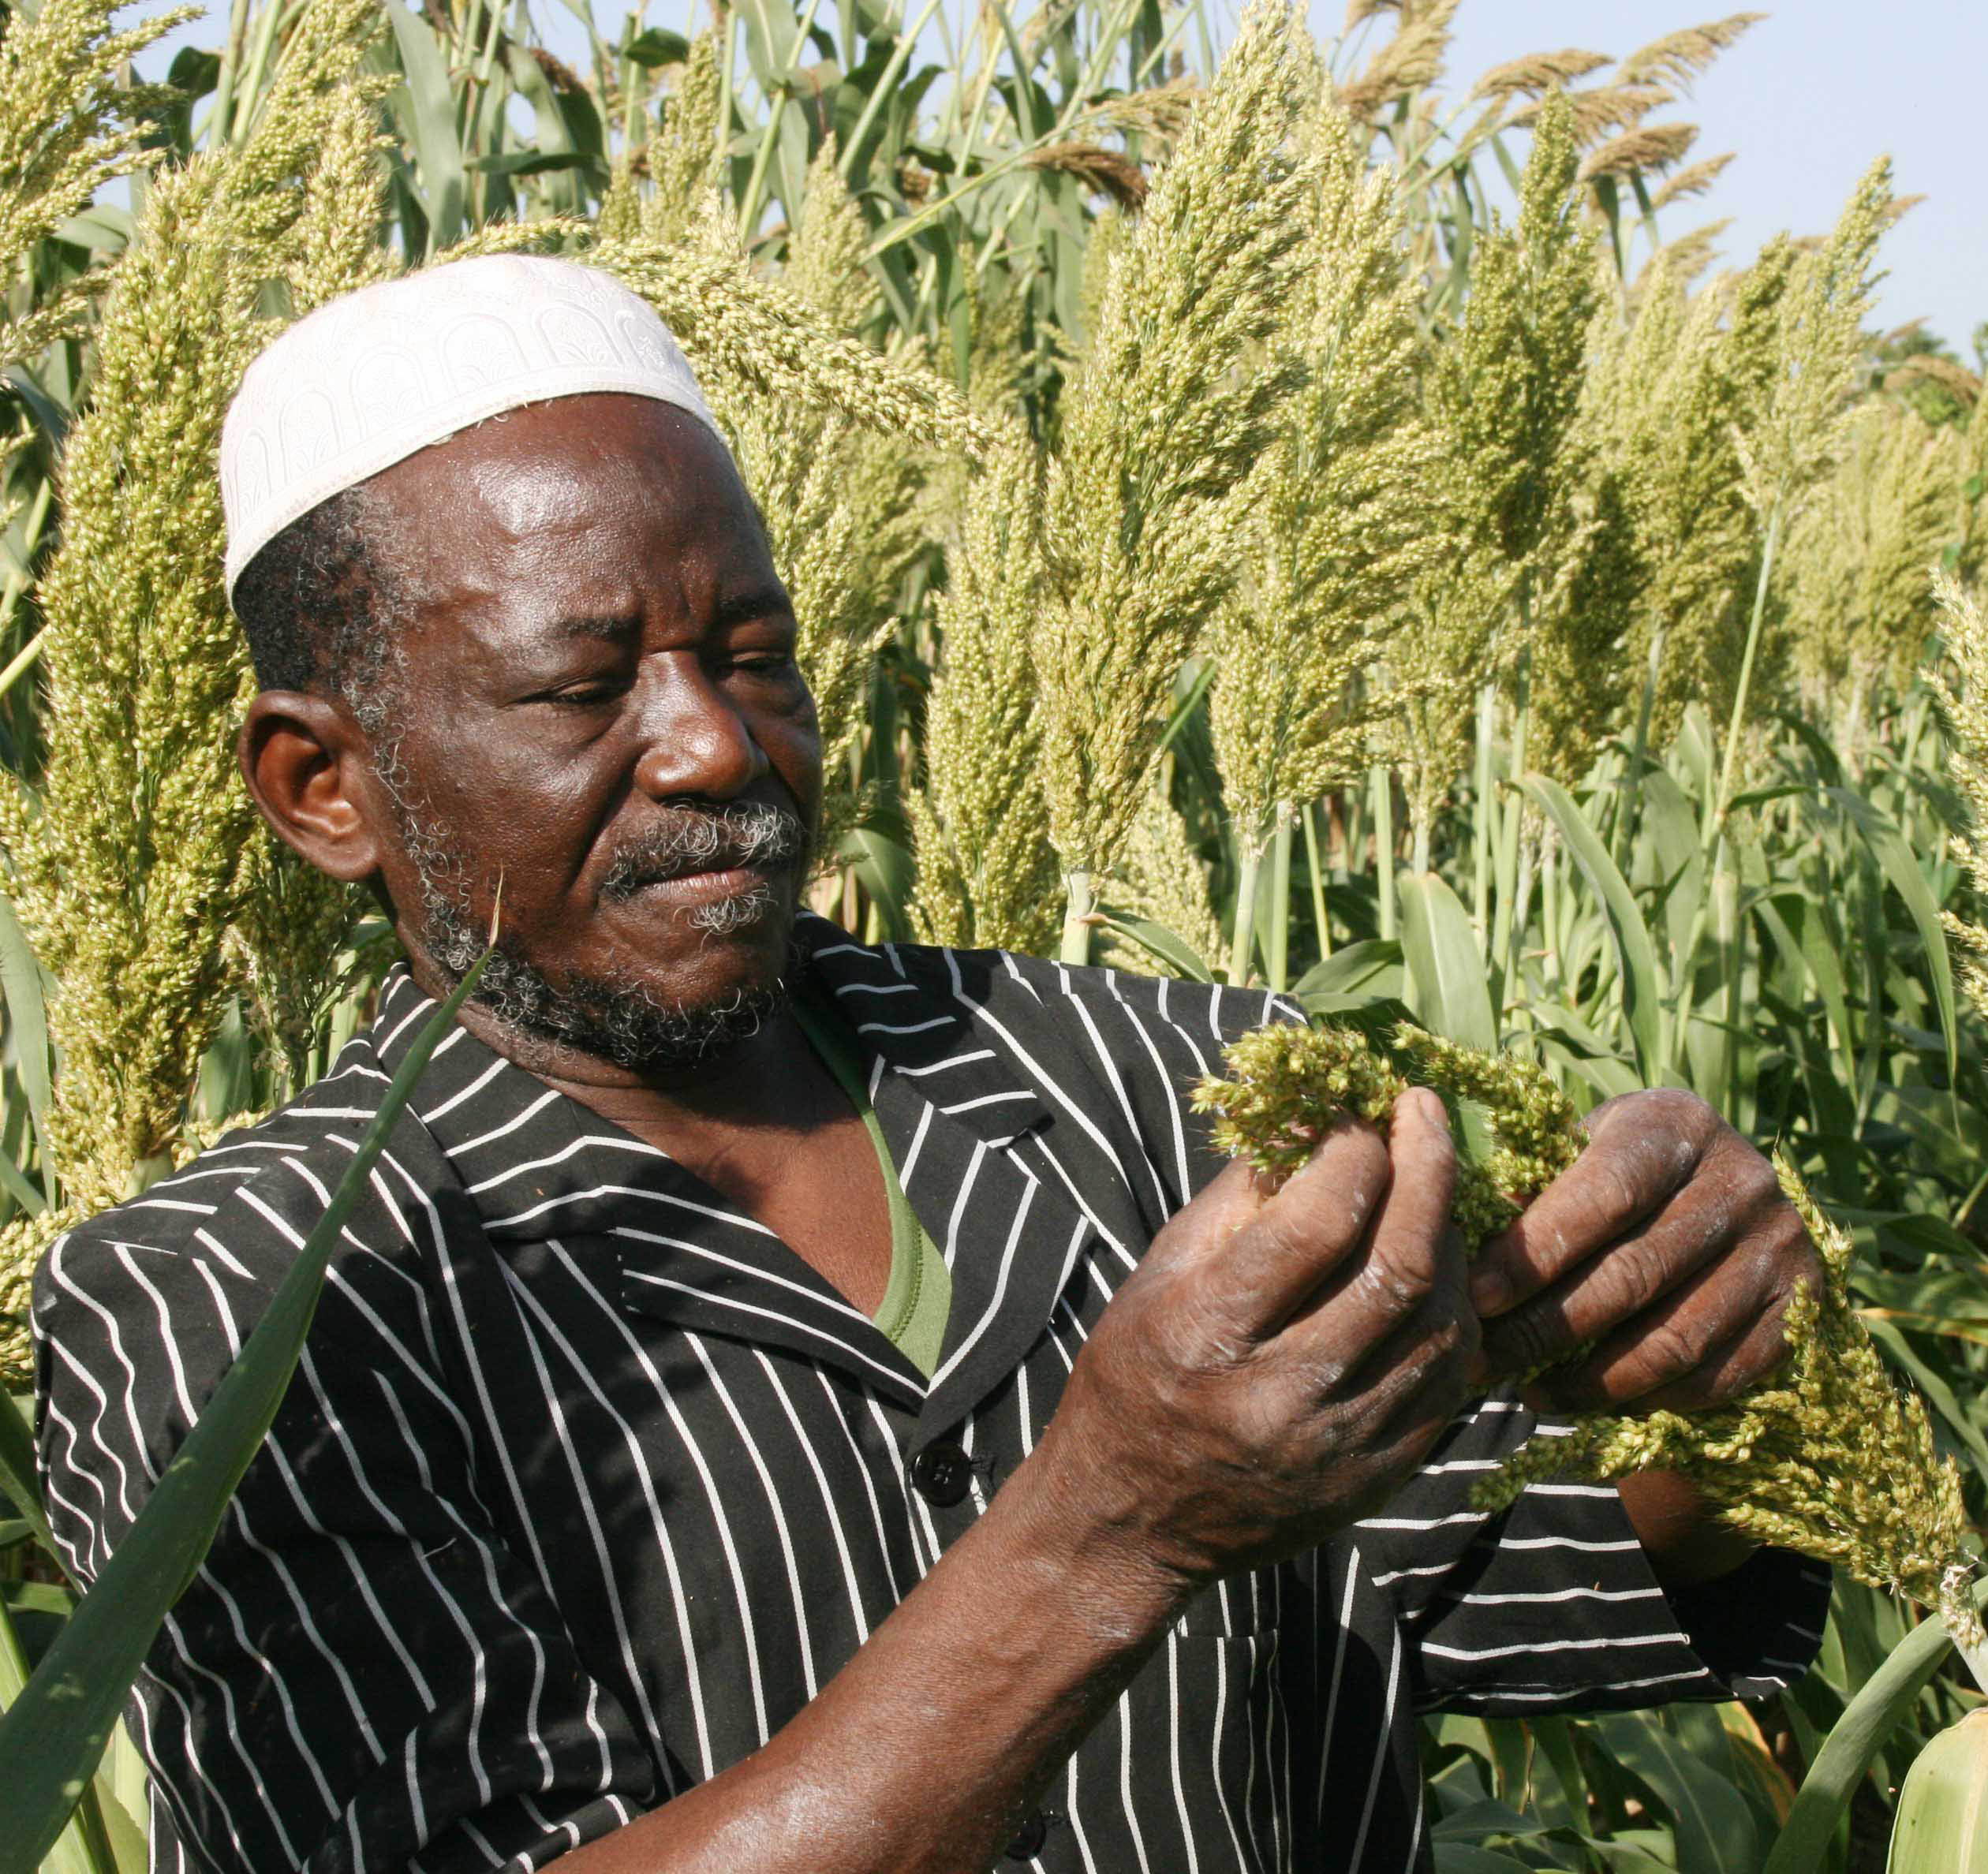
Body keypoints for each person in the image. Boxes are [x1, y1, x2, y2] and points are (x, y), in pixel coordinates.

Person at [34, 256, 1829, 1874]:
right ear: (321, 788)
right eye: (587, 692)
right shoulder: (249, 1309)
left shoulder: (1172, 1082)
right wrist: (1106, 1532)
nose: (716, 748)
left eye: (755, 658)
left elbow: (1528, 1562)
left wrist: (1708, 1350)